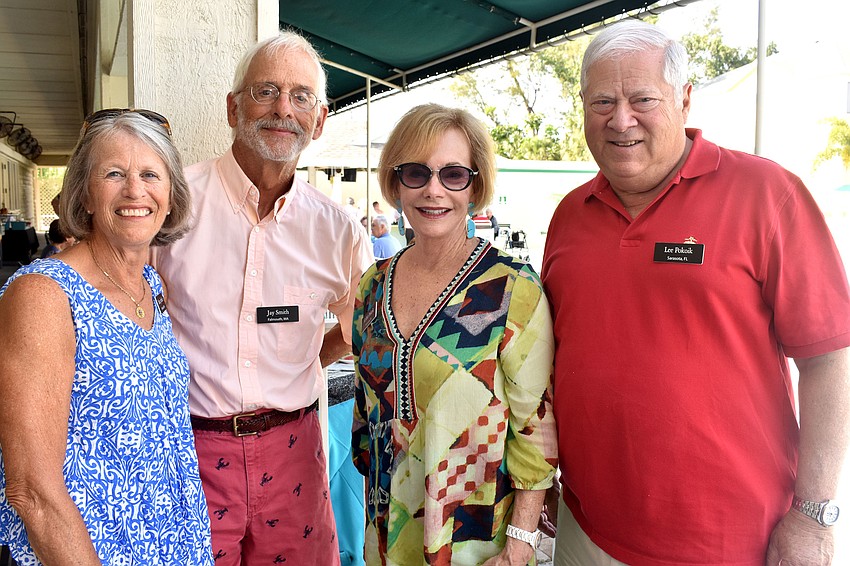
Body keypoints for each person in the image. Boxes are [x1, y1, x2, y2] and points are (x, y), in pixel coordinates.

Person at [541, 19, 850, 566]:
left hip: (730, 541)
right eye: (602, 102)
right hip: (586, 531)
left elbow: (829, 359)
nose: (621, 120)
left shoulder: (766, 195)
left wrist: (815, 514)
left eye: (642, 99)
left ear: (684, 100)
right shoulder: (569, 214)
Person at [151, 31, 373, 565]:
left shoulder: (338, 230)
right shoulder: (171, 204)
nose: (282, 109)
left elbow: (363, 325)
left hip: (294, 450)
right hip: (189, 451)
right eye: (265, 90)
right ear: (233, 108)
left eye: (301, 96)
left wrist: (303, 360)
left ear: (319, 121)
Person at [0, 109, 212, 564]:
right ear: (85, 195)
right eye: (114, 173)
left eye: (151, 174)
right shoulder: (44, 295)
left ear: (171, 196)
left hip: (173, 543)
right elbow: (30, 491)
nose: (135, 190)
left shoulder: (151, 288)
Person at [352, 103, 557, 565]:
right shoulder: (371, 285)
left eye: (453, 175)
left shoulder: (511, 288)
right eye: (416, 173)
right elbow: (369, 424)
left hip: (476, 546)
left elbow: (536, 432)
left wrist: (520, 547)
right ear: (396, 181)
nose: (433, 190)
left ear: (476, 185)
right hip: (388, 542)